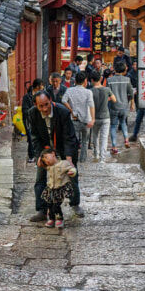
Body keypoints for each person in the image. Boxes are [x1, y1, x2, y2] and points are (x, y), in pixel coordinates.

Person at [28, 91, 84, 221]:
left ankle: (75, 203)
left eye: (47, 104)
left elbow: (69, 136)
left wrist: (68, 158)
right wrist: (39, 157)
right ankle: (42, 210)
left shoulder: (63, 112)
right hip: (46, 150)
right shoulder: (32, 113)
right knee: (40, 178)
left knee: (72, 176)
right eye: (41, 106)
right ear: (35, 105)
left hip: (64, 147)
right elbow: (35, 137)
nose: (45, 109)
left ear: (51, 100)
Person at [37, 146, 76, 229]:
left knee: (56, 205)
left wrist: (72, 172)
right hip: (51, 188)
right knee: (49, 204)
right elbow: (42, 166)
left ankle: (59, 218)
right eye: (44, 160)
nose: (46, 161)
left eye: (47, 157)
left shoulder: (64, 164)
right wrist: (40, 162)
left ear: (53, 154)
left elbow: (72, 168)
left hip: (60, 188)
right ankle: (51, 218)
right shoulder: (49, 166)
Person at [62, 72, 94, 162]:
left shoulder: (69, 90)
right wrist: (93, 119)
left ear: (75, 81)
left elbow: (63, 100)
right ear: (85, 81)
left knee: (74, 141)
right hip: (86, 120)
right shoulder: (88, 92)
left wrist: (71, 110)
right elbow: (91, 105)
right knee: (85, 141)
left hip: (74, 119)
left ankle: (74, 159)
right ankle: (83, 159)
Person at [107, 61, 135, 153]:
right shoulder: (127, 79)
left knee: (113, 126)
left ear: (114, 69)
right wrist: (132, 104)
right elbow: (131, 93)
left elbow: (108, 95)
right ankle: (126, 139)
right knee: (123, 123)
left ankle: (114, 147)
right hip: (124, 106)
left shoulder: (109, 80)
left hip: (114, 106)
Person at [90, 72, 115, 161]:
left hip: (95, 117)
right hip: (105, 117)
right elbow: (114, 99)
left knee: (95, 136)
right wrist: (106, 99)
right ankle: (102, 159)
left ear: (92, 80)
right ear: (100, 79)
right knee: (104, 138)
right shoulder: (107, 90)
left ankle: (96, 154)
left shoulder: (90, 91)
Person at [21, 78, 44, 163]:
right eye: (41, 85)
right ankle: (31, 155)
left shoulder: (42, 95)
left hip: (39, 119)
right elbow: (24, 110)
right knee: (30, 137)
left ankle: (38, 154)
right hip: (29, 120)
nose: (42, 87)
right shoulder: (27, 97)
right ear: (37, 86)